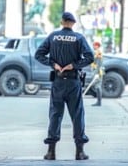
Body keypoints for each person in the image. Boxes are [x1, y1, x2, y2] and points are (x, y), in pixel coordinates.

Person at [35, 12, 94, 160]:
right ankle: (79, 152)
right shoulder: (79, 38)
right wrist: (73, 65)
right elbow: (89, 57)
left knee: (55, 114)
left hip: (58, 82)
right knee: (77, 115)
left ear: (62, 22)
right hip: (73, 82)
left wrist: (53, 64)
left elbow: (39, 54)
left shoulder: (53, 36)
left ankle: (51, 151)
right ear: (73, 23)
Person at [91, 41, 104, 106]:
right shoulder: (97, 52)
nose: (93, 46)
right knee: (97, 86)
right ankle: (98, 102)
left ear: (97, 46)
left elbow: (98, 64)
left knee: (98, 86)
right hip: (97, 71)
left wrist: (96, 73)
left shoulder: (98, 53)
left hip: (98, 72)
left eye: (94, 45)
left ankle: (99, 102)